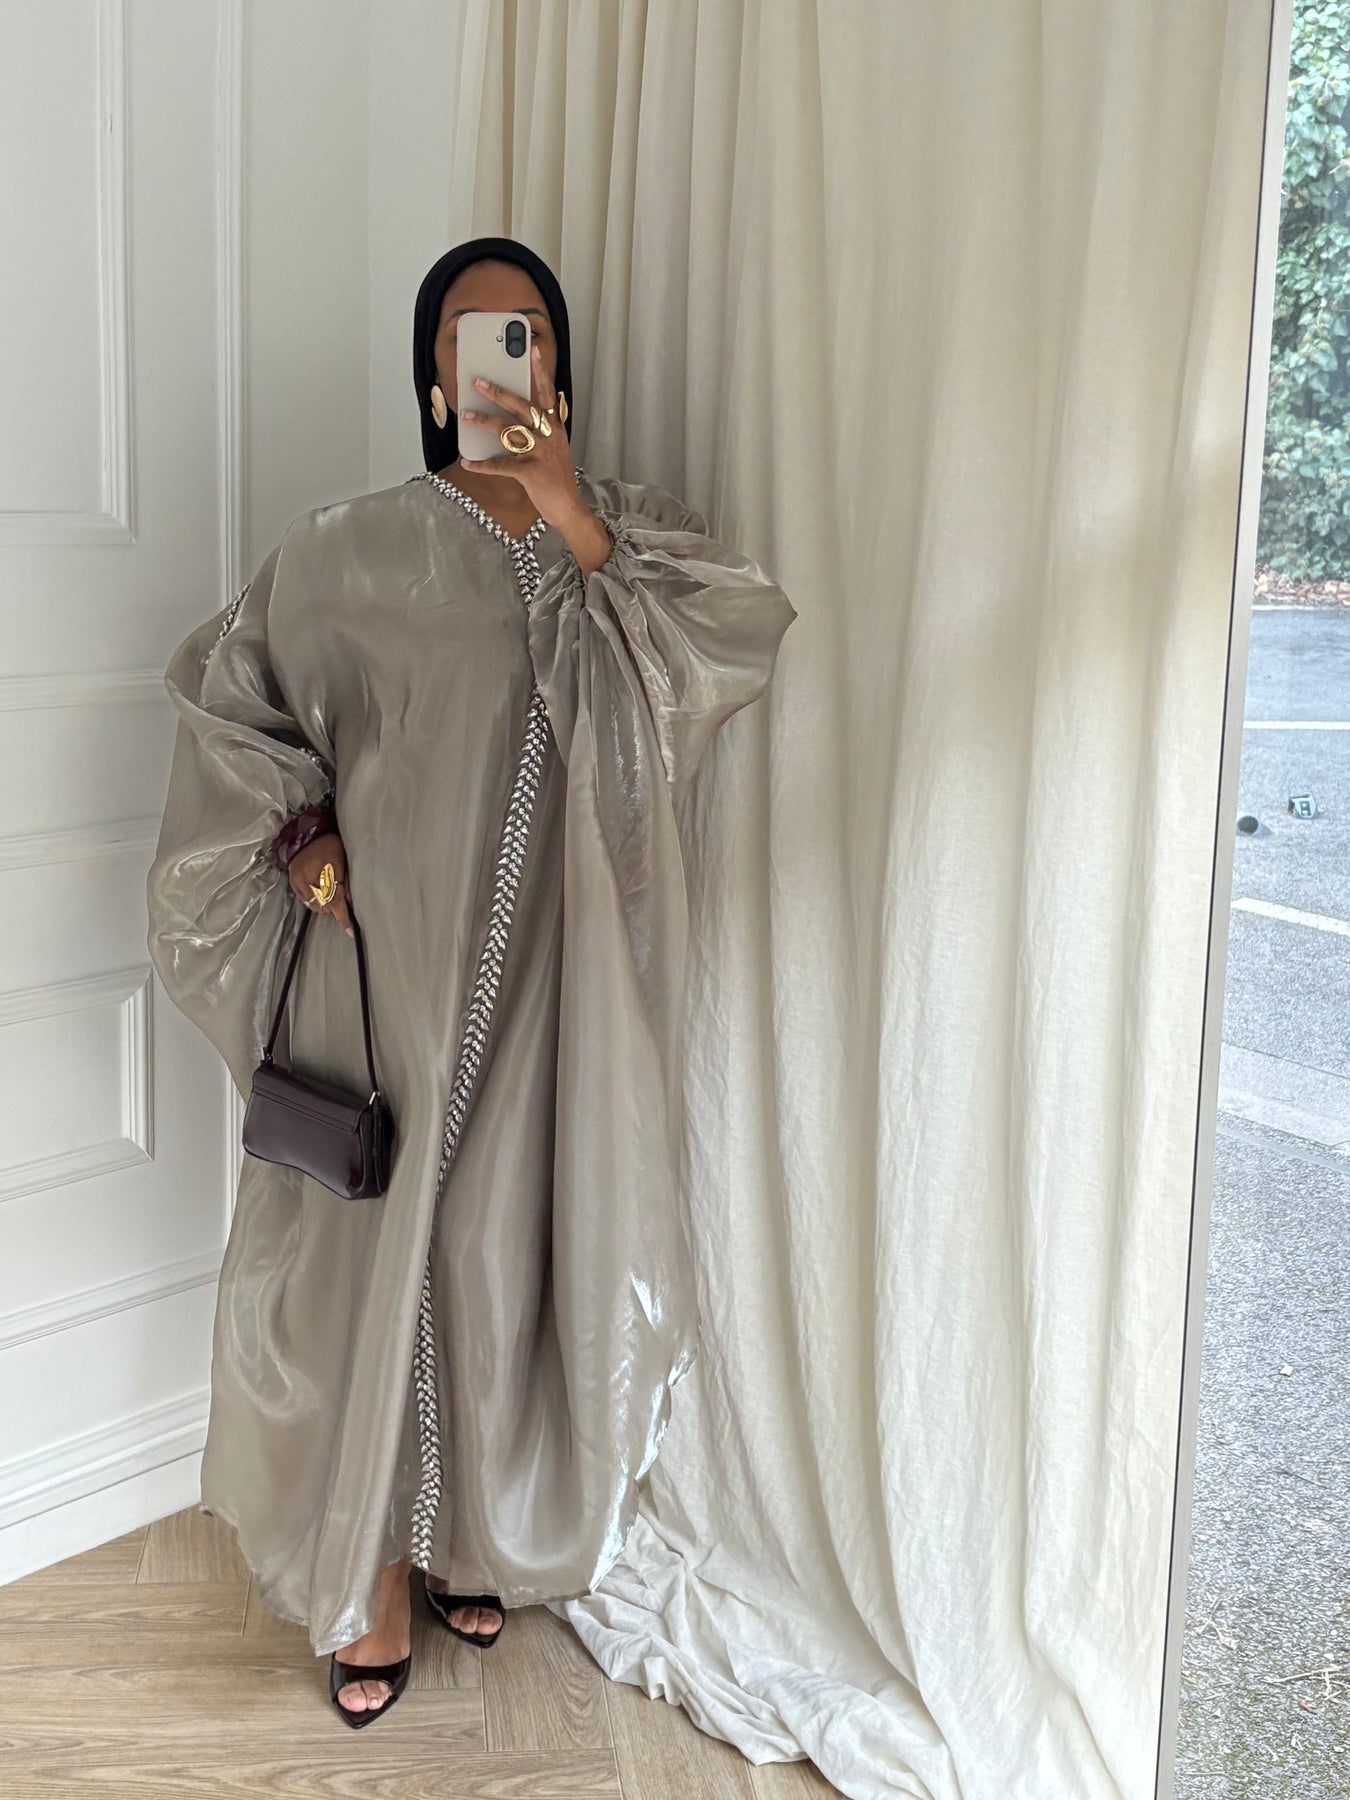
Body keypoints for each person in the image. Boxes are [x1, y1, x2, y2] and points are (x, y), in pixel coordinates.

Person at [145, 234, 797, 1729]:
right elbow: (237, 716)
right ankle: (371, 1576)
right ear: (434, 376)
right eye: (472, 334)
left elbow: (720, 651)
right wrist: (302, 842)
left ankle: (470, 1538)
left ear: (557, 367)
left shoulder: (623, 539)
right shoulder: (344, 552)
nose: (503, 355)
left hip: (558, 990)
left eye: (528, 332)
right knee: (364, 1277)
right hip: (381, 989)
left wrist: (570, 514)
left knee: (502, 1265)